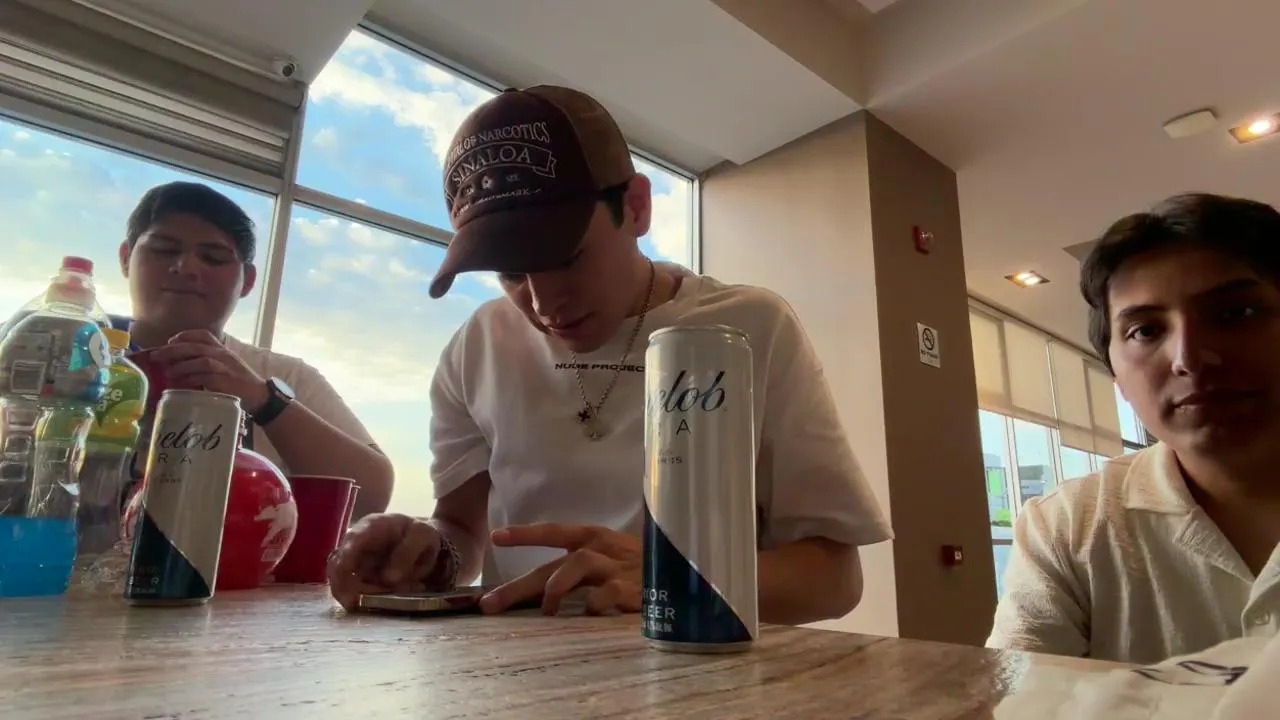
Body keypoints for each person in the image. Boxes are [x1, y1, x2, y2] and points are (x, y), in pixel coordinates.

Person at [327, 85, 892, 622]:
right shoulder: (476, 347)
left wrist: (670, 578)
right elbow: (461, 533)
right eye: (512, 273)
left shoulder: (747, 328)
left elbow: (835, 580)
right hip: (511, 666)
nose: (543, 303)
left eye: (567, 257)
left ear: (637, 208)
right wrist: (422, 554)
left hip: (699, 665)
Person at [988, 193, 1280, 664]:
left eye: (1235, 313)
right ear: (1117, 377)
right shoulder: (1068, 526)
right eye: (1145, 331)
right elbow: (1017, 692)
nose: (1188, 359)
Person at [118, 182, 393, 518]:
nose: (186, 267)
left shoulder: (284, 376)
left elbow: (370, 499)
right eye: (164, 249)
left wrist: (264, 400)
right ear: (125, 258)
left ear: (247, 281)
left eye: (214, 258)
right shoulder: (75, 352)